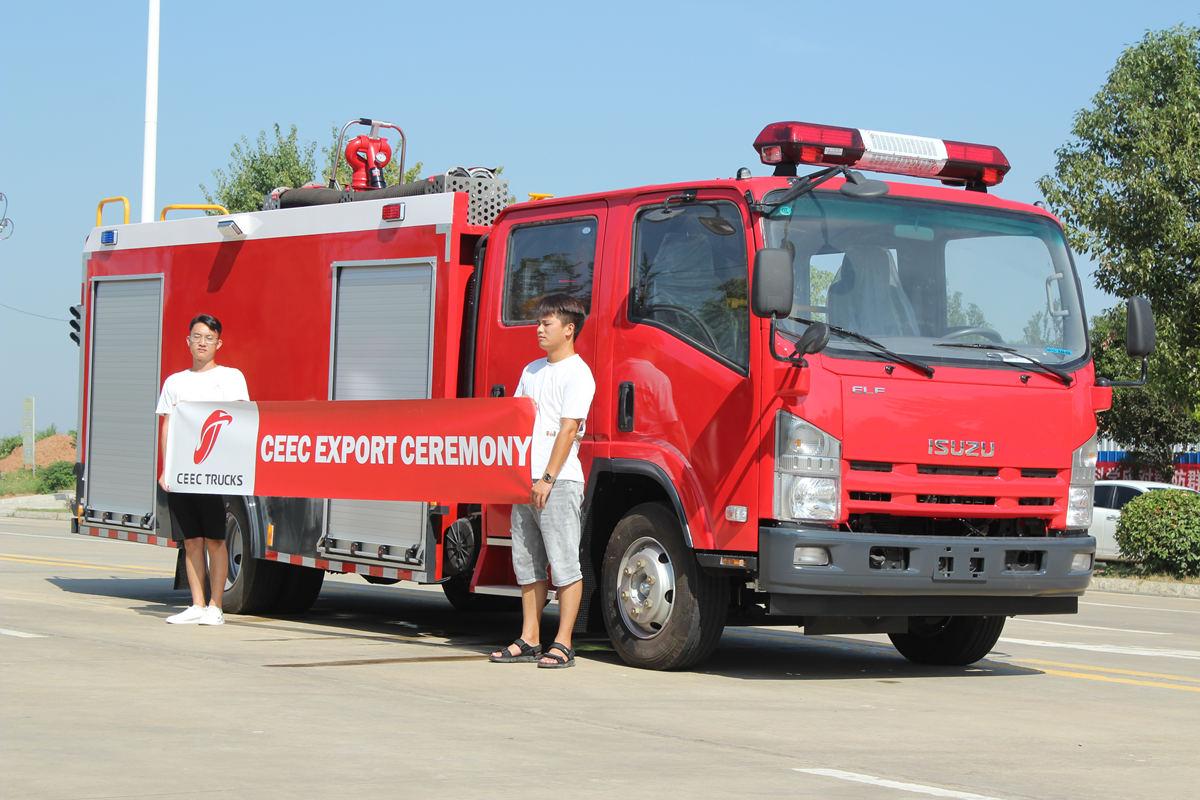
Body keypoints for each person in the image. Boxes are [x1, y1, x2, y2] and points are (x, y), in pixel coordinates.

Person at [490, 294, 595, 669]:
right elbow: (515, 419)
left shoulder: (578, 374)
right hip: (525, 481)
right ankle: (529, 638)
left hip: (559, 483)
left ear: (569, 329)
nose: (538, 329)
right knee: (528, 563)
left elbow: (568, 429)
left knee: (564, 563)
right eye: (538, 323)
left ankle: (563, 642)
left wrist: (548, 478)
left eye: (546, 324)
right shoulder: (531, 371)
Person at [156, 314, 249, 625]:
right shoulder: (174, 382)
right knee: (191, 540)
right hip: (182, 473)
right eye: (197, 337)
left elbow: (240, 422)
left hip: (214, 473)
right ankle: (196, 604)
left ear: (218, 344)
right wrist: (166, 468)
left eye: (209, 338)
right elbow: (167, 426)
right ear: (188, 341)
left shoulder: (231, 378)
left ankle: (215, 607)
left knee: (215, 540)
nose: (202, 343)